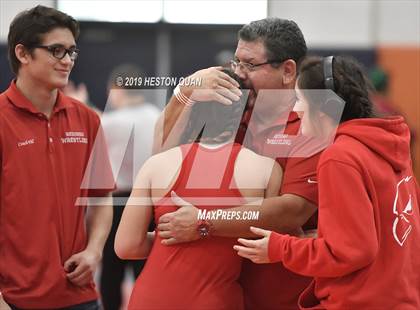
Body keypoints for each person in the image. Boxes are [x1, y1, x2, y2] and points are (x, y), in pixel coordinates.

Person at [154, 18, 321, 309]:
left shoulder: (312, 125)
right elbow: (161, 156)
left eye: (250, 65)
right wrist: (185, 92)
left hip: (287, 294)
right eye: (236, 62)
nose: (238, 74)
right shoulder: (231, 111)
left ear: (288, 70)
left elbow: (291, 211)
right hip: (225, 292)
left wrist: (204, 222)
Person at [234, 55, 420, 309]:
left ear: (326, 108)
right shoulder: (390, 144)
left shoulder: (339, 156)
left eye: (300, 100)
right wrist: (324, 235)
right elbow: (385, 232)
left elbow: (350, 252)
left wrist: (279, 248)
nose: (296, 110)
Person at [115, 70, 283, 309]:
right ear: (245, 115)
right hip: (214, 299)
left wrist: (170, 234)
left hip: (151, 298)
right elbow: (268, 244)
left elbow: (126, 246)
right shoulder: (266, 169)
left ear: (192, 112)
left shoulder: (157, 164)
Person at [0, 5, 113, 309]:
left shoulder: (87, 119)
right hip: (15, 299)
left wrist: (94, 251)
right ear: (23, 54)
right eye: (57, 51)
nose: (68, 62)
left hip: (81, 295)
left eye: (72, 52)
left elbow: (101, 197)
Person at [99, 64, 160, 310]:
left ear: (117, 90)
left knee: (111, 270)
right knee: (146, 267)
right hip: (151, 202)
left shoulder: (108, 122)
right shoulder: (159, 115)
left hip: (117, 202)